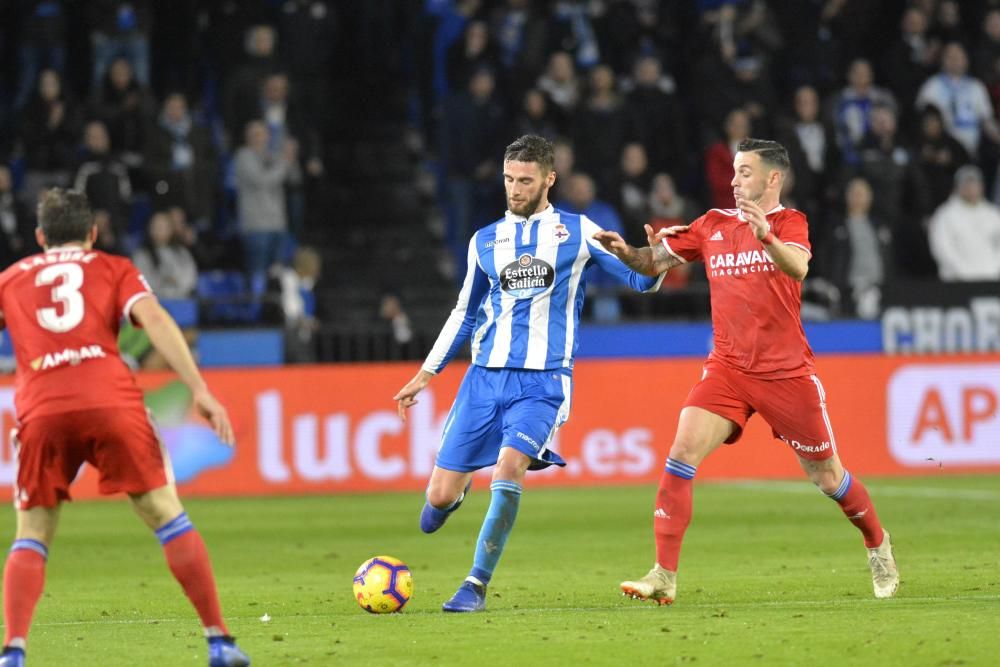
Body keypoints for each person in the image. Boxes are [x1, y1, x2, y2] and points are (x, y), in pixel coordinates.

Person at [592, 138, 899, 605]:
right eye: (734, 172)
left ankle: (877, 543)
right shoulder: (711, 224)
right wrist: (625, 252)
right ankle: (663, 574)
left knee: (828, 478)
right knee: (681, 452)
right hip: (728, 368)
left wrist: (766, 237)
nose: (734, 181)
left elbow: (797, 268)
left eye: (745, 172)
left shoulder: (790, 223)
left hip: (786, 374)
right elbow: (651, 260)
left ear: (773, 178)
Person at [393, 135, 664, 613]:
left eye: (525, 180)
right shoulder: (486, 240)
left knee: (509, 467)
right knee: (434, 505)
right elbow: (464, 312)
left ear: (549, 179)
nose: (514, 190)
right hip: (483, 379)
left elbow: (639, 281)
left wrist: (653, 256)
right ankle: (456, 493)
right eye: (508, 180)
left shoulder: (577, 232)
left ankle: (474, 585)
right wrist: (426, 373)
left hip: (542, 383)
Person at [0, 189, 249, 667]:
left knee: (32, 531)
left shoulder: (11, 278)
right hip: (109, 398)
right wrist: (198, 388)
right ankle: (219, 641)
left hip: (42, 406)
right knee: (166, 513)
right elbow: (153, 318)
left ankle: (14, 650)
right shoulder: (112, 267)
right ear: (92, 234)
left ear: (39, 237)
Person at [927, 165, 1000, 281]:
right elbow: (941, 247)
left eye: (975, 184)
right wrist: (961, 271)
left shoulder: (993, 214)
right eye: (967, 185)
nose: (971, 188)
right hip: (957, 280)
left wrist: (994, 269)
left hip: (991, 278)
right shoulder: (945, 214)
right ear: (958, 187)